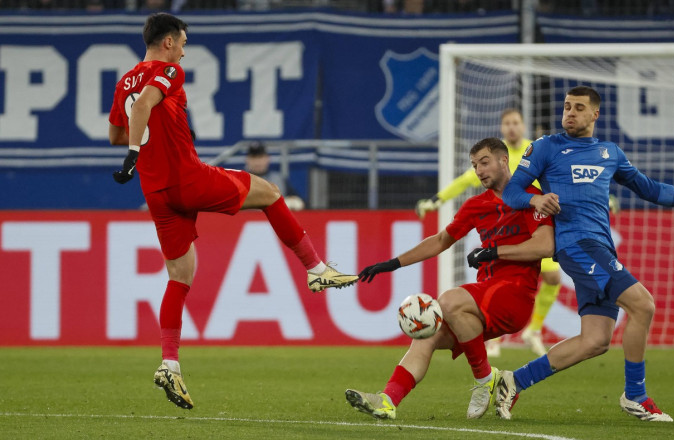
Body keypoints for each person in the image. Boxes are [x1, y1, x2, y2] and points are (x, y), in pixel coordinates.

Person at [108, 13, 358, 410]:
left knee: (179, 276)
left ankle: (169, 363)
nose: (184, 52)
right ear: (168, 42)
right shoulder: (168, 71)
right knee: (270, 193)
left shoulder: (125, 81)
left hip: (157, 193)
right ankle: (316, 269)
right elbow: (142, 112)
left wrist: (156, 139)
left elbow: (116, 132)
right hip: (187, 179)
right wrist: (133, 155)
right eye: (183, 43)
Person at [496, 85, 674, 422]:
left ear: (595, 114)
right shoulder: (546, 147)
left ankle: (514, 381)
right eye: (567, 106)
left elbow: (650, 189)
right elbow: (511, 191)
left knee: (595, 340)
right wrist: (536, 199)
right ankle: (636, 395)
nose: (570, 113)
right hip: (576, 245)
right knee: (643, 305)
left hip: (600, 248)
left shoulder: (609, 153)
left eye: (578, 108)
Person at [345, 137, 554, 420]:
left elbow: (545, 246)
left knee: (449, 300)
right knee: (426, 334)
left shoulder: (531, 197)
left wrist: (494, 252)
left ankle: (484, 378)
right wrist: (393, 263)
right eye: (474, 165)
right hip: (485, 293)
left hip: (515, 294)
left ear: (504, 160)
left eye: (484, 163)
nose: (479, 171)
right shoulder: (476, 205)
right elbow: (442, 239)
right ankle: (387, 400)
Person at [414, 108, 562, 357]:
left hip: (535, 227)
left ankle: (533, 330)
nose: (512, 127)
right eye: (507, 123)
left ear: (523, 125)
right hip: (507, 231)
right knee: (501, 283)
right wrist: (436, 200)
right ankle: (495, 339)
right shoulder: (489, 159)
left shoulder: (534, 151)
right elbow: (463, 181)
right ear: (502, 128)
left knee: (552, 278)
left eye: (515, 122)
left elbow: (559, 175)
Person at [244, 141, 305, 211]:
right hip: (245, 217)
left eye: (260, 157)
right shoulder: (239, 180)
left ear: (267, 159)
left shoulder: (279, 180)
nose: (257, 162)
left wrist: (294, 202)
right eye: (253, 158)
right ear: (247, 160)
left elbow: (299, 202)